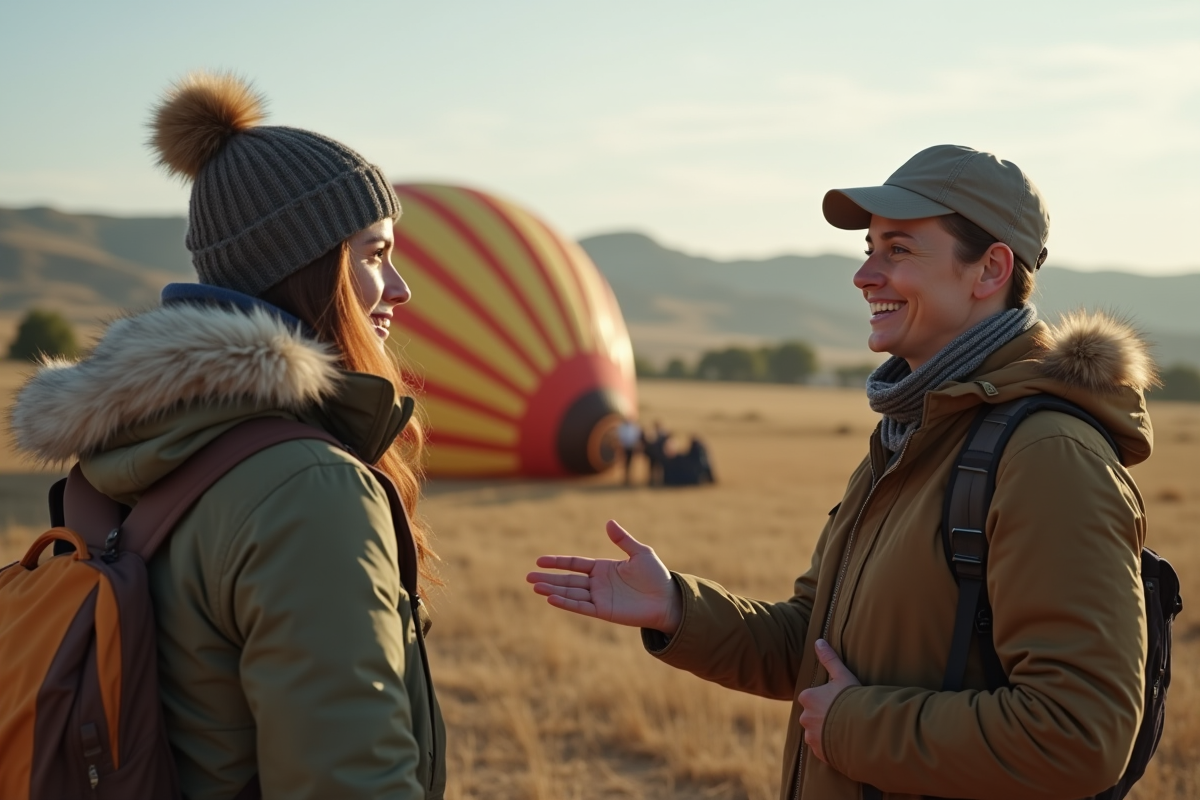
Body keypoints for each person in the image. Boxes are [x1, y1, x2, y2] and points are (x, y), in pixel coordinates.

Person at [526, 145, 1153, 799]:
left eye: (899, 250)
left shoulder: (1047, 456)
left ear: (990, 269)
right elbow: (815, 644)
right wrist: (678, 608)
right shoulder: (910, 434)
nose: (865, 276)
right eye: (868, 249)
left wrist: (855, 728)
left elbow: (1079, 734)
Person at [11, 72, 445, 799]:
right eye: (373, 254)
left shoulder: (142, 448)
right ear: (306, 268)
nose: (399, 288)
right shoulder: (310, 488)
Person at [616, 418, 643, 485]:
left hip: (632, 447)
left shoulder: (635, 427)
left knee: (631, 462)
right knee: (625, 463)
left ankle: (630, 477)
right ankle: (625, 477)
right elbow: (620, 437)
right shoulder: (622, 428)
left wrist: (636, 445)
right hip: (625, 447)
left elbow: (637, 437)